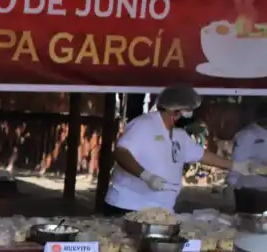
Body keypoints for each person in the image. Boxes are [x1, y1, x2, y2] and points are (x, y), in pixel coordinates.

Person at [103, 84, 244, 215]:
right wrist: (146, 176)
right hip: (129, 206)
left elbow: (202, 155)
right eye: (188, 111)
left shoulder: (179, 135)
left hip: (162, 209)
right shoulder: (144, 124)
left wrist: (235, 166)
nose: (191, 116)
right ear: (175, 111)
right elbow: (121, 152)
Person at [228, 102, 267, 213]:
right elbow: (237, 160)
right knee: (248, 225)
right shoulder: (247, 135)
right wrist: (231, 185)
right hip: (250, 191)